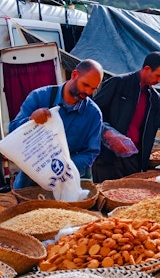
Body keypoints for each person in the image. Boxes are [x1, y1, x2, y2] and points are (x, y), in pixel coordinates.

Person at [92, 51, 160, 181]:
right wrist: (108, 134)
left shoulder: (156, 99)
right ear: (146, 69)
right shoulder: (118, 84)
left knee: (131, 194)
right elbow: (92, 114)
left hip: (134, 158)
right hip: (108, 157)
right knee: (107, 194)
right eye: (158, 75)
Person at [8, 59, 104, 189]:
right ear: (74, 75)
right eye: (85, 85)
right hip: (30, 183)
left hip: (69, 182)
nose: (88, 92)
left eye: (93, 88)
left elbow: (90, 153)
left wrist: (61, 169)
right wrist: (31, 121)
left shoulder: (93, 114)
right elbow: (13, 131)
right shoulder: (39, 97)